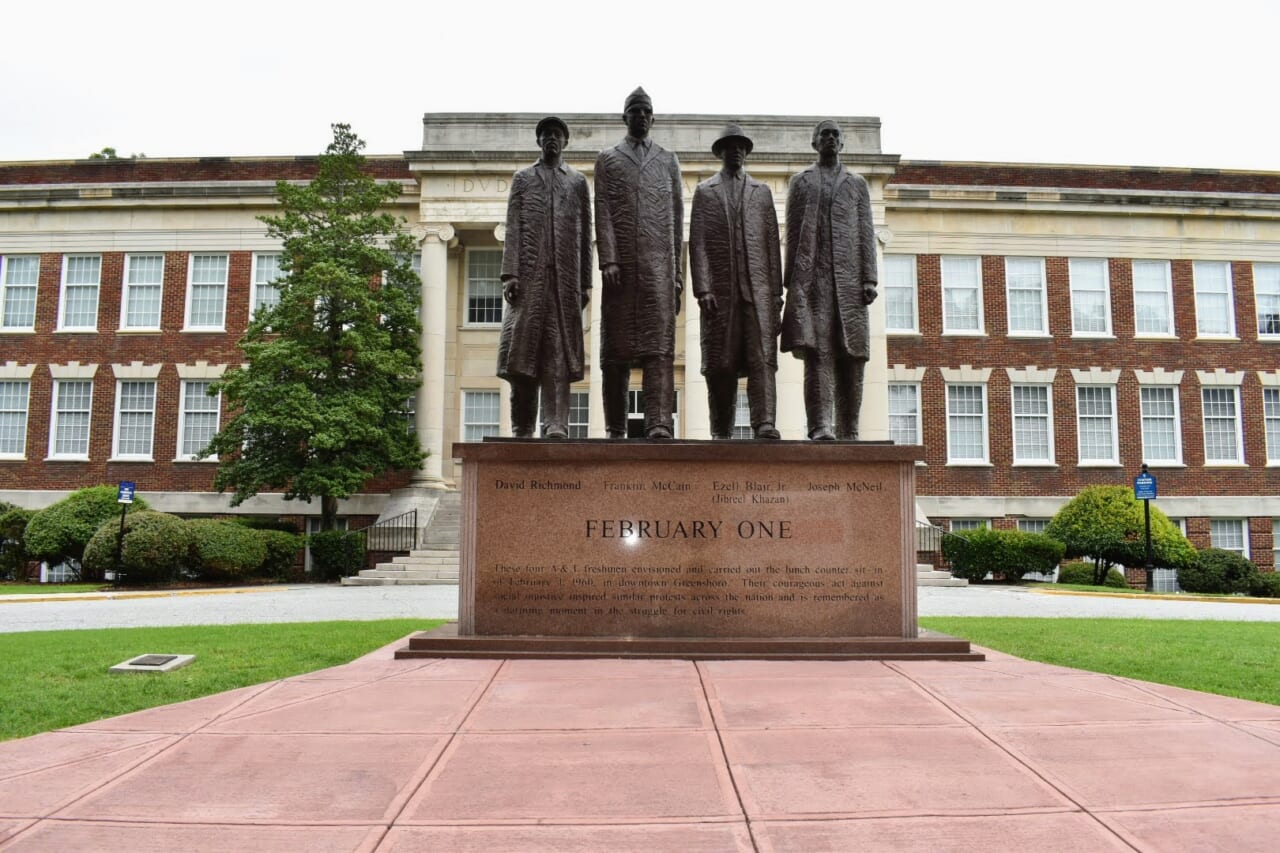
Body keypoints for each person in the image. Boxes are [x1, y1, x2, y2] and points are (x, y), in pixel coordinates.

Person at [594, 87, 684, 439]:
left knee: (659, 351)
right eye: (635, 110)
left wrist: (676, 275)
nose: (642, 116)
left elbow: (676, 220)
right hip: (621, 271)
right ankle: (615, 427)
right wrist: (609, 260)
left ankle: (659, 423)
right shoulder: (609, 159)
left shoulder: (667, 160)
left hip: (658, 269)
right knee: (614, 352)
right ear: (625, 117)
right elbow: (602, 210)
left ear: (653, 117)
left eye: (646, 111)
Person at [781, 120, 878, 440]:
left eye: (836, 135)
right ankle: (820, 426)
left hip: (850, 283)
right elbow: (792, 232)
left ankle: (849, 429)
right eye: (825, 134)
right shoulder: (801, 182)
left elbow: (866, 231)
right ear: (814, 142)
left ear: (842, 143)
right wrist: (790, 283)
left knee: (853, 357)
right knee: (818, 355)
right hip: (814, 282)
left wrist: (869, 278)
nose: (831, 139)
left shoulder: (857, 184)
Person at [496, 116, 592, 439]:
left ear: (565, 141)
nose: (552, 139)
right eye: (546, 135)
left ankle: (555, 423)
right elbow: (513, 227)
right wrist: (510, 273)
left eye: (557, 135)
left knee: (557, 354)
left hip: (562, 286)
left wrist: (585, 283)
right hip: (528, 283)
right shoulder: (523, 179)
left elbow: (585, 237)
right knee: (522, 356)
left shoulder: (577, 183)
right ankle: (522, 426)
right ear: (538, 141)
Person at [690, 123, 782, 439]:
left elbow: (772, 245)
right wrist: (702, 287)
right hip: (720, 294)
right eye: (731, 146)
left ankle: (764, 422)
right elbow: (698, 241)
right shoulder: (705, 192)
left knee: (762, 359)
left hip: (758, 292)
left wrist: (777, 295)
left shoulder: (762, 192)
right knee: (720, 364)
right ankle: (721, 430)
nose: (737, 151)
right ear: (721, 152)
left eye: (741, 146)